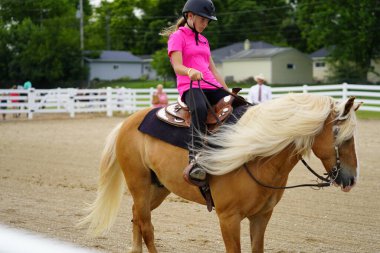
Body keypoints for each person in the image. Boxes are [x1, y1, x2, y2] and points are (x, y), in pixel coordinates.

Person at [161, 0, 229, 184]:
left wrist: (228, 92)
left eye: (208, 21)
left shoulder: (204, 40)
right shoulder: (177, 36)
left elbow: (213, 70)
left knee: (236, 108)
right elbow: (177, 66)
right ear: (189, 16)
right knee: (199, 108)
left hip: (210, 84)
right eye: (203, 19)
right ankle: (196, 158)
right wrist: (190, 71)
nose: (205, 24)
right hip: (190, 85)